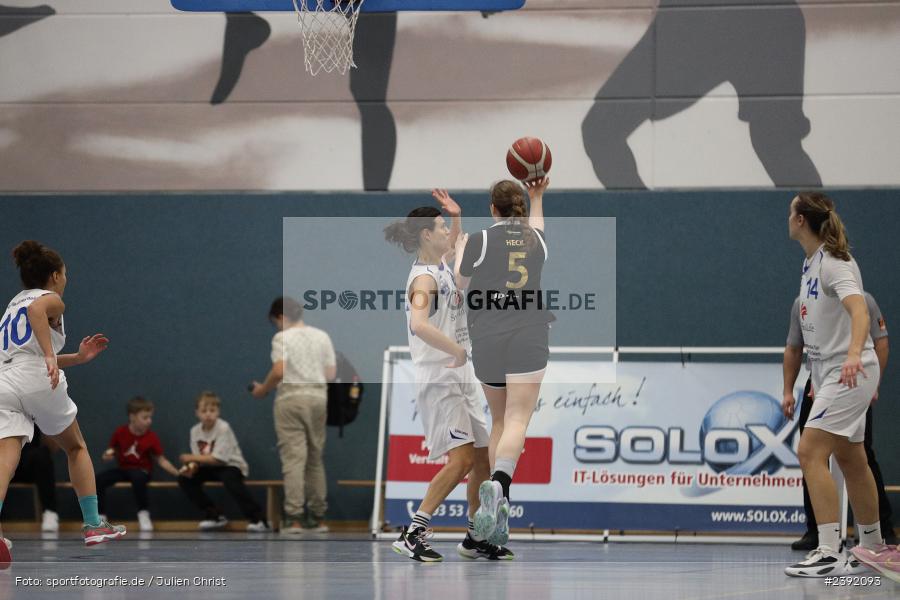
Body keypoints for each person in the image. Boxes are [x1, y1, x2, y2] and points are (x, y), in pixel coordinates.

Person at [383, 190, 513, 562]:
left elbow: (455, 246)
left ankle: (476, 537)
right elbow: (420, 325)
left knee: (483, 459)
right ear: (426, 234)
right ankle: (413, 531)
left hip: (460, 373)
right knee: (459, 461)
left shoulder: (440, 263)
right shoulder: (423, 279)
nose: (447, 233)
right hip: (439, 375)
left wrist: (455, 216)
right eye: (440, 227)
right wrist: (455, 349)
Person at [0, 241, 126, 568]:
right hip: (34, 375)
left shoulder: (13, 302)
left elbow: (26, 350)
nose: (67, 279)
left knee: (6, 458)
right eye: (66, 274)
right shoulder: (51, 298)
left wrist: (77, 358)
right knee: (76, 447)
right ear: (55, 276)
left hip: (4, 380)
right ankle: (93, 523)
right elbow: (38, 314)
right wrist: (48, 356)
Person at [781, 193, 883, 578]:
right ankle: (872, 546)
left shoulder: (835, 263)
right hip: (830, 371)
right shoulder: (811, 264)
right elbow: (822, 326)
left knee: (810, 450)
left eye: (791, 212)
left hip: (850, 369)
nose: (787, 219)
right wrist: (817, 370)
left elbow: (859, 310)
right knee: (852, 459)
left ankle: (827, 550)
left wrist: (855, 353)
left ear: (802, 220)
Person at [454, 177, 553, 547]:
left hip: (488, 335)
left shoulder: (479, 240)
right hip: (529, 333)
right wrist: (538, 196)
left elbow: (459, 286)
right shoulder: (536, 240)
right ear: (522, 210)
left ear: (492, 209)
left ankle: (496, 504)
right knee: (517, 419)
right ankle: (500, 487)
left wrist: (461, 248)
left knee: (498, 419)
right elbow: (537, 227)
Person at [784, 293, 897, 550]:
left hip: (851, 383)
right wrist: (787, 390)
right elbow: (794, 347)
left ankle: (879, 532)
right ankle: (819, 533)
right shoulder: (802, 301)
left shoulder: (861, 299)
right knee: (813, 455)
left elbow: (881, 343)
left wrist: (873, 383)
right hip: (819, 386)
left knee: (859, 454)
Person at [251, 297, 336, 534]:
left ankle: (294, 518)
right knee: (315, 458)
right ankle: (318, 518)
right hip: (318, 398)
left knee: (294, 459)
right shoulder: (322, 336)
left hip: (291, 398)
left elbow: (279, 370)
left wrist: (263, 390)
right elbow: (330, 373)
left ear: (281, 317)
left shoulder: (282, 338)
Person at [177, 391, 268, 532]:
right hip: (209, 467)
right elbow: (198, 458)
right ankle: (215, 515)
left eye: (212, 410)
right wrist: (191, 468)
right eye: (204, 411)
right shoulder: (194, 431)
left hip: (230, 465)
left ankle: (259, 519)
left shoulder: (223, 428)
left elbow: (218, 459)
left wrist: (190, 458)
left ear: (218, 412)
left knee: (230, 479)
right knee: (184, 479)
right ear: (197, 413)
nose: (208, 414)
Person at [96, 396, 180, 532]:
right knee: (100, 479)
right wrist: (107, 456)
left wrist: (178, 473)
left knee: (138, 478)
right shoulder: (120, 433)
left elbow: (161, 459)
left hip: (142, 471)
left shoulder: (151, 437)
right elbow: (110, 451)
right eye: (145, 417)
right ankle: (100, 517)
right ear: (132, 417)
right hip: (123, 470)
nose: (149, 421)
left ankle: (143, 513)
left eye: (150, 417)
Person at [5, 427, 60, 532]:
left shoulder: (35, 411)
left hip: (27, 461)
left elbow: (54, 447)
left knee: (42, 455)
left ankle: (50, 512)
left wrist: (49, 427)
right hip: (5, 459)